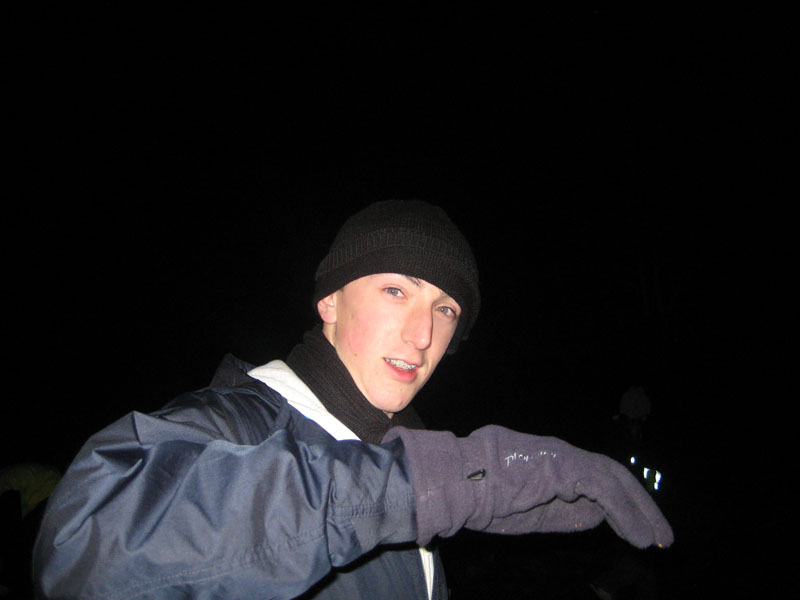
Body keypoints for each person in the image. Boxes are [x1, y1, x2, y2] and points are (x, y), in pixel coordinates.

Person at [33, 200, 673, 599]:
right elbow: (83, 553)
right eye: (397, 290)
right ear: (329, 302)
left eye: (445, 309)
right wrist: (445, 482)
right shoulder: (238, 422)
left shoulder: (404, 461)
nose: (422, 335)